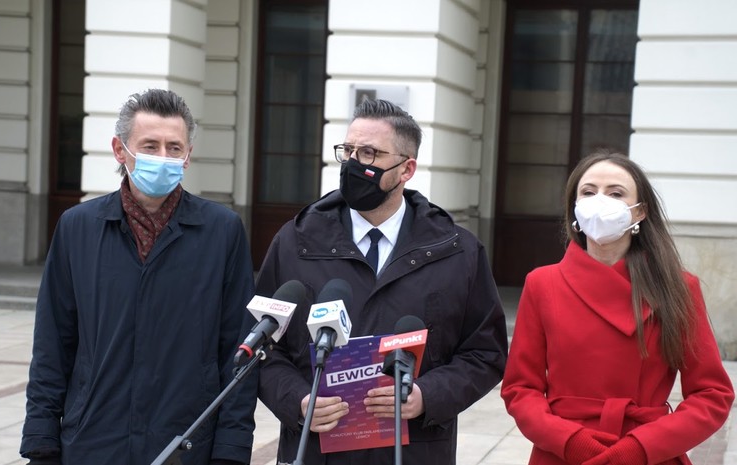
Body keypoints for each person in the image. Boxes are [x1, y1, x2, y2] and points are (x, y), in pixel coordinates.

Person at [255, 98, 508, 464]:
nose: (353, 163)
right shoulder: (296, 241)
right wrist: (297, 400)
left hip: (414, 451)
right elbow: (261, 346)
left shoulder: (457, 251)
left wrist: (428, 396)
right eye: (348, 151)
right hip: (315, 450)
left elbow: (485, 353)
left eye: (370, 153)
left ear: (406, 169)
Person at [20, 89, 258, 465]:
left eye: (174, 148)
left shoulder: (222, 232)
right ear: (120, 150)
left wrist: (231, 451)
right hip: (93, 442)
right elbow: (52, 345)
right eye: (150, 146)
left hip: (186, 445)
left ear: (188, 155)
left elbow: (238, 350)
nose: (162, 157)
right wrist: (41, 442)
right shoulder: (77, 228)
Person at [501, 151, 735, 465]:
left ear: (640, 211)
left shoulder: (677, 287)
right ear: (574, 207)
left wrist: (640, 448)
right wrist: (570, 442)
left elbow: (712, 394)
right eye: (588, 192)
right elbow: (520, 389)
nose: (600, 201)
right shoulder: (542, 284)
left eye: (615, 193)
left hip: (649, 454)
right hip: (562, 453)